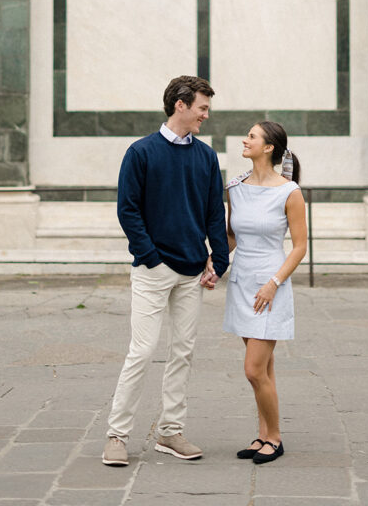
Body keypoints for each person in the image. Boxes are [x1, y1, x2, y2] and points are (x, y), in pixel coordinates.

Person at [102, 75, 229, 467]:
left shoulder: (206, 157)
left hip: (192, 272)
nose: (206, 116)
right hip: (153, 271)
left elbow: (213, 213)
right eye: (202, 108)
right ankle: (117, 435)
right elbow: (128, 210)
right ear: (180, 105)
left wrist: (218, 262)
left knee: (183, 352)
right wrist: (151, 258)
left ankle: (170, 432)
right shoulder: (140, 153)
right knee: (141, 352)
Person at [223, 121, 307, 464]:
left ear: (268, 147)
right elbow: (231, 238)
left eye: (252, 136)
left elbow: (300, 247)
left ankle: (275, 438)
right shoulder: (236, 187)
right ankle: (263, 435)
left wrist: (274, 283)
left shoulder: (290, 191)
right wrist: (213, 263)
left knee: (253, 370)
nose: (245, 140)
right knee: (265, 368)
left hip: (269, 286)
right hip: (242, 282)